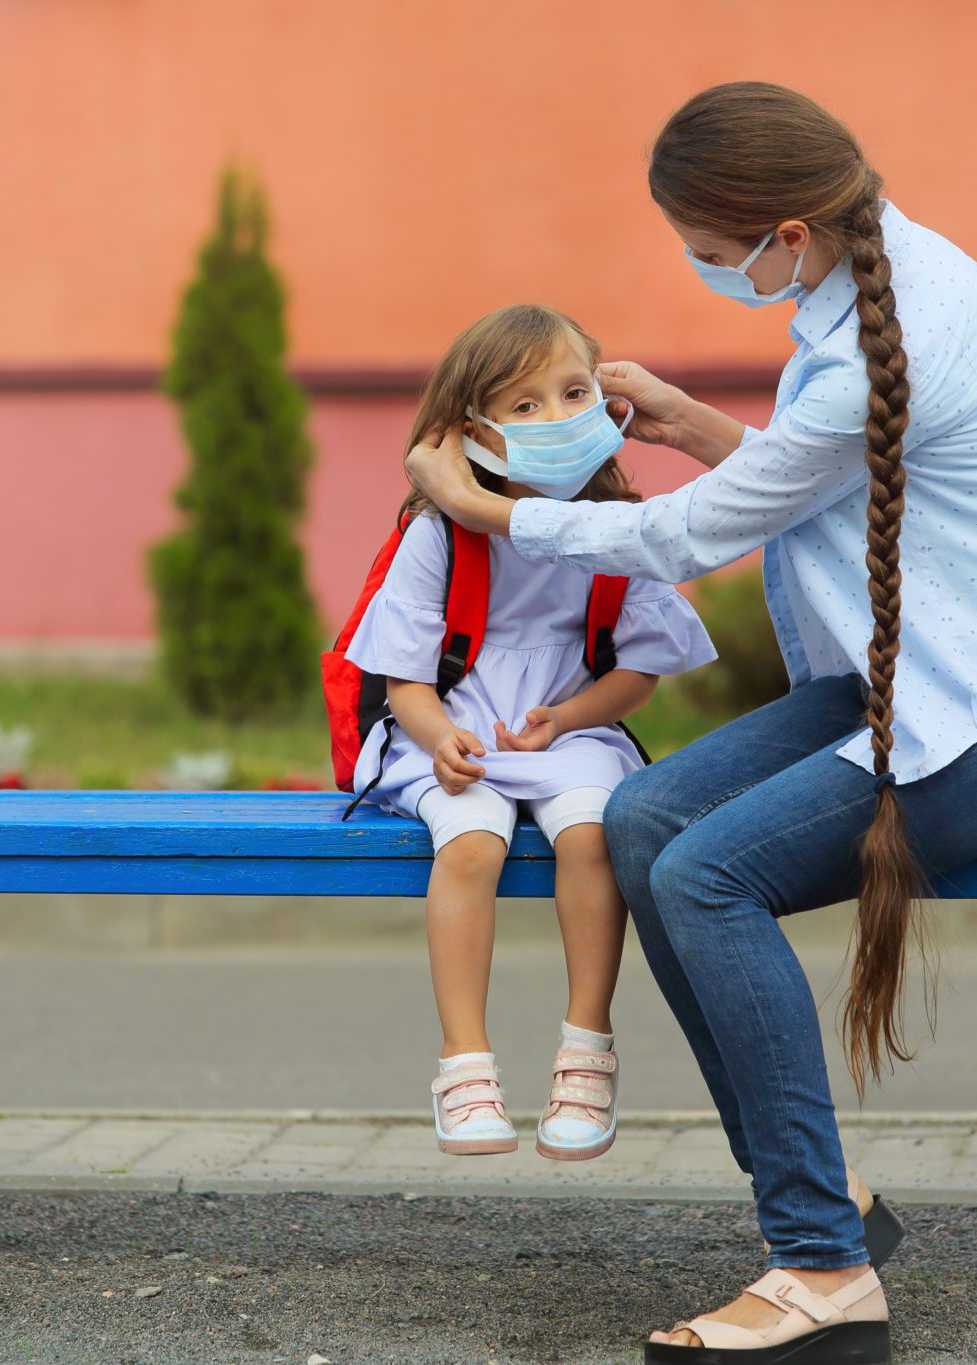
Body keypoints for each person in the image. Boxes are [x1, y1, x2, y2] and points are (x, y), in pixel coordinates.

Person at [405, 84, 977, 1362]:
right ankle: (817, 1193)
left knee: (707, 875)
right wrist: (688, 422)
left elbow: (690, 536)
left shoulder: (881, 338)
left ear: (786, 231)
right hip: (897, 682)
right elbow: (828, 475)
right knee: (641, 818)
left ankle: (822, 1271)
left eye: (710, 252)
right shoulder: (886, 270)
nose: (705, 269)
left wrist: (490, 510)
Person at [346, 303, 716, 1162]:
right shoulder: (440, 533)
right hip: (454, 725)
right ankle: (464, 1063)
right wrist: (438, 736)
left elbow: (638, 671)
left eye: (574, 391)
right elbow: (404, 679)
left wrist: (573, 716)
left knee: (596, 834)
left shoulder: (619, 529)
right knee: (469, 842)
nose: (555, 417)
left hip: (567, 732)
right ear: (467, 432)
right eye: (523, 406)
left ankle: (587, 1049)